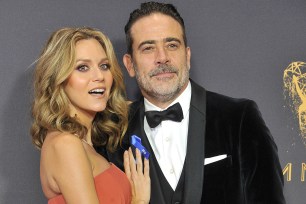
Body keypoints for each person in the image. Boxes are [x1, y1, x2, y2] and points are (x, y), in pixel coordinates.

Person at [97, 2, 286, 204]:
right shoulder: (112, 131)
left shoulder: (239, 118)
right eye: (148, 48)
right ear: (130, 64)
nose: (162, 58)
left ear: (187, 56)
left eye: (172, 45)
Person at [31, 27, 150, 204]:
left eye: (104, 66)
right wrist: (138, 200)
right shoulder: (65, 144)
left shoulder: (82, 143)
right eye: (82, 67)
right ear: (59, 79)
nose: (99, 76)